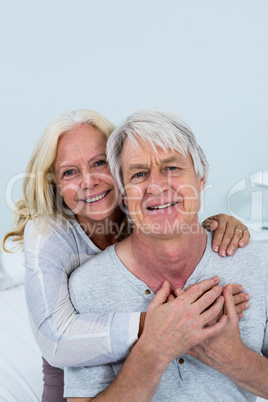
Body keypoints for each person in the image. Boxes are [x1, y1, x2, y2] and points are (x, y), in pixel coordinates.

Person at [3, 109, 250, 402]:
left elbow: (176, 216)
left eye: (99, 163)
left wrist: (216, 222)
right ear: (55, 185)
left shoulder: (138, 203)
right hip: (67, 361)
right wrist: (167, 322)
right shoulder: (48, 233)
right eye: (70, 172)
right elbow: (55, 341)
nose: (88, 181)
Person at [64, 109, 268, 401]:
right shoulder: (88, 288)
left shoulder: (259, 264)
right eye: (139, 174)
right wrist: (155, 349)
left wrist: (232, 357)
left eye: (172, 168)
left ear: (200, 179)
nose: (157, 186)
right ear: (123, 195)